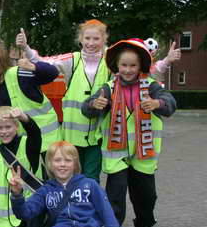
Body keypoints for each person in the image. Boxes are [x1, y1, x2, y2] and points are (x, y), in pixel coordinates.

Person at [17, 20, 180, 181]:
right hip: (71, 135)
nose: (91, 43)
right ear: (80, 39)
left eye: (96, 39)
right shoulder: (72, 60)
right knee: (70, 178)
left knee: (91, 179)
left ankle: (89, 199)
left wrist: (167, 61)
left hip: (98, 135)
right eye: (87, 38)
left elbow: (143, 72)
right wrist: (26, 48)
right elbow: (44, 62)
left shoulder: (110, 60)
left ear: (104, 40)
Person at [82, 38, 176, 227]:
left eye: (133, 65)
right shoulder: (108, 88)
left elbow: (170, 104)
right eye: (124, 65)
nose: (128, 70)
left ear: (140, 65)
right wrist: (94, 104)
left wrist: (157, 103)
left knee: (146, 196)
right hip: (116, 154)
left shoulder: (151, 87)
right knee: (115, 196)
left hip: (144, 153)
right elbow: (86, 107)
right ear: (116, 65)